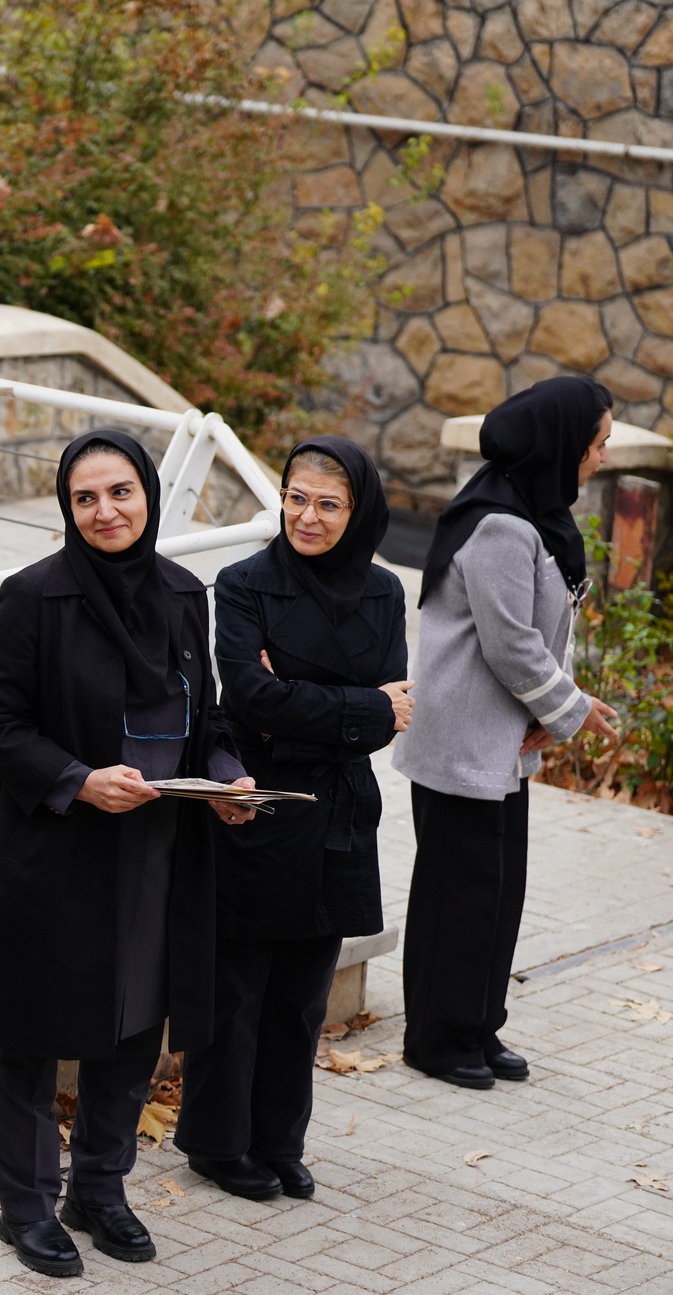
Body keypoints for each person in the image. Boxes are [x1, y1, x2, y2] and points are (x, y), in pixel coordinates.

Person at [0, 431, 253, 1278]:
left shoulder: (182, 593)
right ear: (66, 508)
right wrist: (78, 780)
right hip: (53, 853)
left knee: (133, 1025)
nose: (105, 511)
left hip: (154, 853)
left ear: (149, 494)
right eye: (85, 498)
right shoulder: (31, 598)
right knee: (28, 1035)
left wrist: (226, 774)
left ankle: (101, 1190)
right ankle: (27, 1206)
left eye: (120, 492)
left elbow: (207, 718)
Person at [176, 437, 409, 1202]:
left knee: (303, 994)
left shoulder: (384, 591)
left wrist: (306, 703)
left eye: (328, 504)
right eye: (296, 498)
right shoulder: (244, 583)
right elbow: (249, 697)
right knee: (238, 989)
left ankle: (279, 1142)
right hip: (260, 804)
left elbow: (394, 713)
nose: (307, 516)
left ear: (358, 511)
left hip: (339, 813)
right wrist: (359, 705)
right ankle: (217, 1143)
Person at [396, 376, 621, 1090]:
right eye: (597, 443)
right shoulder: (500, 525)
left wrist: (548, 714)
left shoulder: (538, 516)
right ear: (560, 444)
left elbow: (552, 627)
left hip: (501, 743)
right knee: (457, 898)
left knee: (496, 894)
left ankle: (475, 1025)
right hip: (463, 741)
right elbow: (511, 643)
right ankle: (436, 1039)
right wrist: (570, 710)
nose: (603, 457)